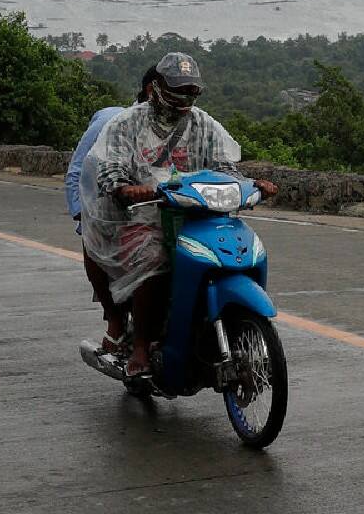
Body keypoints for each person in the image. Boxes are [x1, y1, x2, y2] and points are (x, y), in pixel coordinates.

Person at [80, 52, 276, 377]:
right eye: (177, 89)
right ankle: (141, 344)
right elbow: (109, 164)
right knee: (155, 259)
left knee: (235, 249)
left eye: (191, 90)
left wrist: (249, 185)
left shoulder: (203, 124)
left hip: (195, 214)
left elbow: (223, 167)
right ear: (156, 87)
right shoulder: (126, 123)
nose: (184, 97)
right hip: (142, 216)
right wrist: (126, 188)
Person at [65, 67, 161, 354]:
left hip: (156, 208)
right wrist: (84, 217)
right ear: (152, 91)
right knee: (95, 244)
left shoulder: (179, 130)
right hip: (110, 205)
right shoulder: (110, 122)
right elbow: (77, 170)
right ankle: (115, 321)